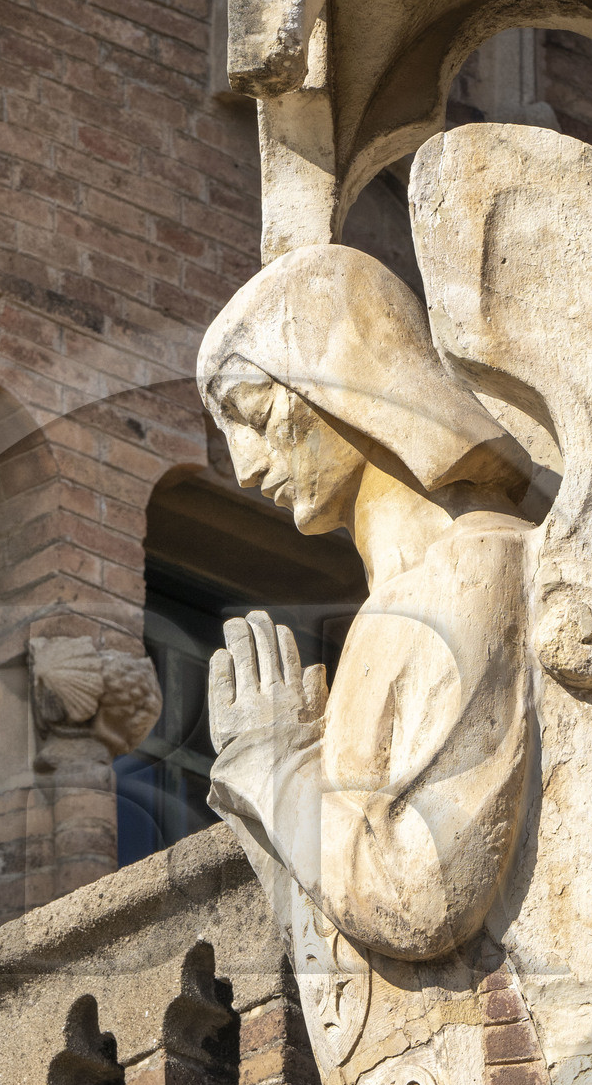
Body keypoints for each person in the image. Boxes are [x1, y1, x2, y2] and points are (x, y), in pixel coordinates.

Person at [197, 242, 538, 964]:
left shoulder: (472, 567)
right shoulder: (403, 601)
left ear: (344, 375)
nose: (246, 467)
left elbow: (422, 893)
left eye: (255, 413)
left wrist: (275, 765)